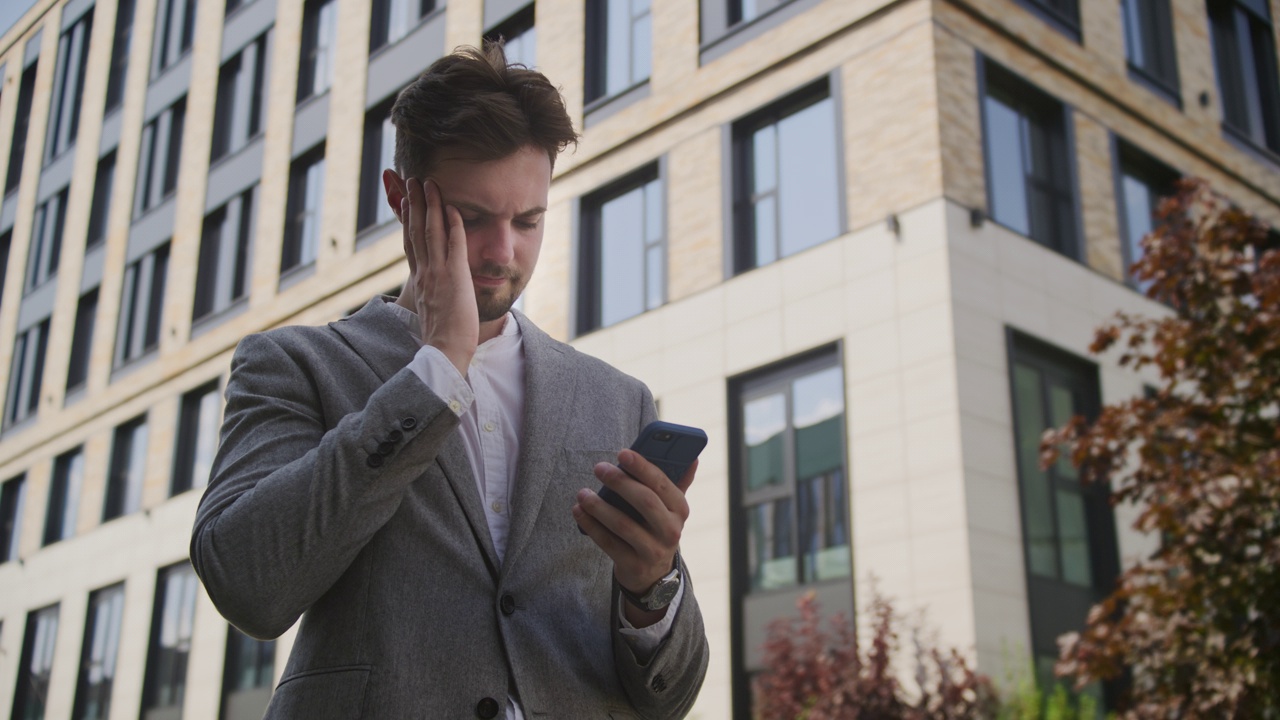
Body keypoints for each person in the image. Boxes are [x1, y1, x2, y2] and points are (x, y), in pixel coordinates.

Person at [190, 44, 709, 719]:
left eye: (528, 221)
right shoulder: (293, 366)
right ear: (401, 198)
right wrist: (435, 368)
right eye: (471, 219)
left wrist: (651, 587)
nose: (502, 252)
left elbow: (671, 697)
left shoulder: (616, 398)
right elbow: (248, 586)